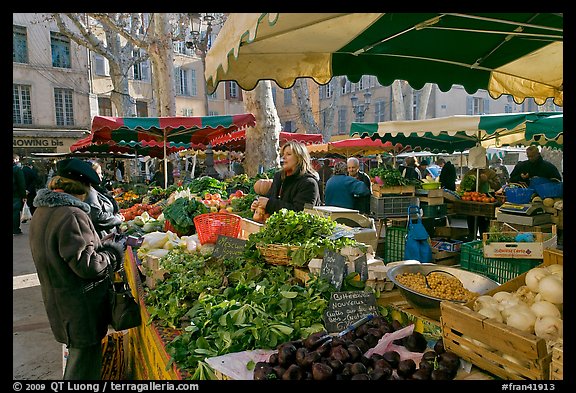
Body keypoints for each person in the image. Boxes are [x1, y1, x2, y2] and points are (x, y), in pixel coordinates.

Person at [29, 158, 125, 380]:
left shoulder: (43, 210)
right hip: (79, 306)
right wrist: (112, 252)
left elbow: (64, 253)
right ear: (82, 188)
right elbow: (88, 266)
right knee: (83, 368)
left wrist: (97, 244)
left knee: (77, 361)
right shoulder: (72, 214)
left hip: (60, 300)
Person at [251, 140, 321, 215]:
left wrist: (269, 204)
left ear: (299, 158)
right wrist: (258, 203)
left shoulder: (309, 183)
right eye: (283, 154)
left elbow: (301, 213)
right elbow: (269, 197)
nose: (283, 157)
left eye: (288, 154)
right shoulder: (279, 177)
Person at [85, 161, 125, 239]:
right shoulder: (90, 192)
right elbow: (98, 217)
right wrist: (117, 218)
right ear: (91, 174)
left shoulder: (97, 190)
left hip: (108, 234)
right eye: (99, 173)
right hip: (103, 237)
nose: (102, 176)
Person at [461, 167, 501, 239]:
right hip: (472, 203)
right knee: (471, 227)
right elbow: (463, 186)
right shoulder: (469, 173)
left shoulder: (491, 173)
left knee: (484, 228)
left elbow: (498, 186)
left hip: (486, 204)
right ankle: (471, 243)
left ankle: (484, 243)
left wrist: (488, 180)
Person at [13, 154, 27, 235]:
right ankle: (15, 229)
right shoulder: (17, 169)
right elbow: (21, 183)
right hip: (15, 194)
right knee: (15, 211)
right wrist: (23, 195)